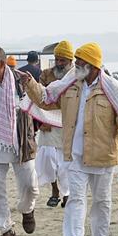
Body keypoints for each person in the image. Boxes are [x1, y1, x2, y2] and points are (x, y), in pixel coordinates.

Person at [22, 42, 118, 236]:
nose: (77, 66)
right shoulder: (69, 85)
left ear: (93, 66)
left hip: (103, 155)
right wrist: (30, 84)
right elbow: (46, 99)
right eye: (77, 62)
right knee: (76, 197)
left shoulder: (111, 88)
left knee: (102, 200)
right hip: (75, 155)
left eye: (81, 63)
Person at [0, 46, 38, 236]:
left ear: (2, 64)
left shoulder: (21, 80)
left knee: (30, 185)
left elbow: (40, 101)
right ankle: (6, 229)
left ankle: (27, 209)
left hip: (20, 141)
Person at [36, 41, 75, 208]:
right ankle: (55, 191)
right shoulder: (45, 74)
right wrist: (42, 120)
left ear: (70, 61)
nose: (59, 63)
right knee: (48, 161)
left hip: (68, 124)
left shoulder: (76, 76)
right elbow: (38, 97)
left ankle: (67, 193)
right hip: (48, 123)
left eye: (63, 61)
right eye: (57, 59)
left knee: (66, 163)